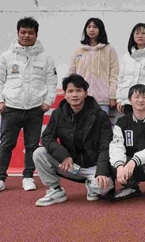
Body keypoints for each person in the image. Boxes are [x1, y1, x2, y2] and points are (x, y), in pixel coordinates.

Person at [0, 17, 58, 195]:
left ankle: (28, 177)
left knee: (32, 145)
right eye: (23, 32)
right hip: (11, 108)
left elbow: (51, 82)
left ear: (36, 35)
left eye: (30, 33)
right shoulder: (6, 56)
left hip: (35, 109)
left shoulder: (45, 58)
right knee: (6, 145)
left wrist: (47, 101)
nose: (26, 36)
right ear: (17, 33)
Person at [32, 74, 113, 206]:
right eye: (70, 91)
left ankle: (92, 185)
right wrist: (64, 156)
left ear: (85, 93)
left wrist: (102, 172)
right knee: (39, 153)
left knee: (103, 188)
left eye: (78, 90)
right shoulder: (58, 114)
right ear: (65, 95)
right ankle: (55, 190)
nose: (74, 95)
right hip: (70, 165)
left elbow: (106, 145)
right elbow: (47, 138)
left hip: (93, 167)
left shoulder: (99, 115)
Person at [69, 18, 119, 115]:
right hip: (81, 99)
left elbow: (114, 75)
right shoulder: (79, 51)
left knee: (101, 124)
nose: (91, 30)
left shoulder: (109, 50)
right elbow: (72, 74)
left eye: (95, 27)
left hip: (102, 100)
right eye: (89, 27)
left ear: (101, 29)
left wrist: (112, 96)